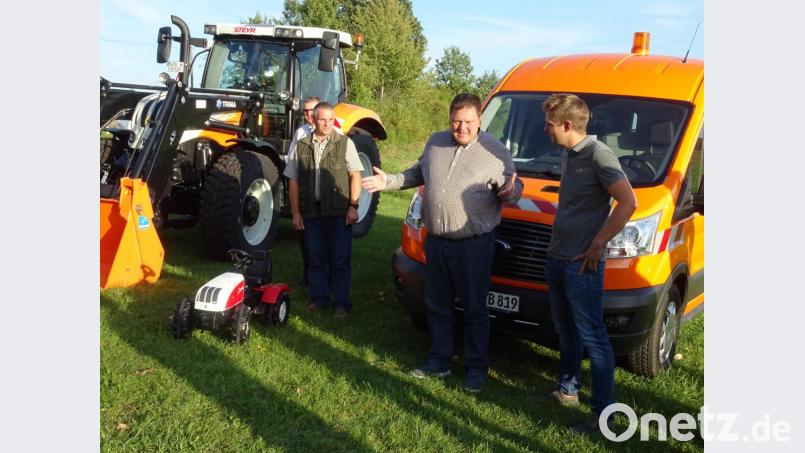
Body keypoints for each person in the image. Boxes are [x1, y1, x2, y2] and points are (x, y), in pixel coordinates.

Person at [362, 93, 523, 393]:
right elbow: (416, 172)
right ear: (449, 119)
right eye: (456, 121)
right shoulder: (436, 142)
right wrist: (390, 181)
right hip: (435, 241)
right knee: (437, 304)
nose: (461, 128)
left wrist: (509, 192)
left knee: (475, 310)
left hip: (473, 246)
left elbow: (513, 188)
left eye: (468, 122)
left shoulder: (494, 150)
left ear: (479, 121)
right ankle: (439, 359)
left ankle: (476, 368)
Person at [540, 93, 637, 434]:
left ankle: (603, 415)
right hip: (558, 256)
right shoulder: (570, 153)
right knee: (566, 330)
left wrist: (598, 244)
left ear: (567, 124)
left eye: (549, 124)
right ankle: (568, 390)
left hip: (582, 264)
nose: (545, 130)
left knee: (593, 337)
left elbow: (628, 202)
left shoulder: (599, 155)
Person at [284, 102, 364, 318]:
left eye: (331, 119)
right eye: (323, 119)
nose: (328, 123)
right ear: (313, 120)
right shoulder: (301, 146)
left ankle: (341, 303)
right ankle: (319, 298)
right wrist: (296, 213)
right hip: (310, 211)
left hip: (338, 211)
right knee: (316, 257)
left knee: (340, 259)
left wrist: (353, 206)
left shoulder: (344, 143)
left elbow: (355, 175)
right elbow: (293, 181)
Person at [287, 96, 321, 287]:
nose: (308, 114)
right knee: (305, 237)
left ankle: (323, 279)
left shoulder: (335, 132)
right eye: (305, 111)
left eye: (311, 110)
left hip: (324, 195)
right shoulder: (300, 132)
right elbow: (292, 163)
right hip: (304, 192)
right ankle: (308, 275)